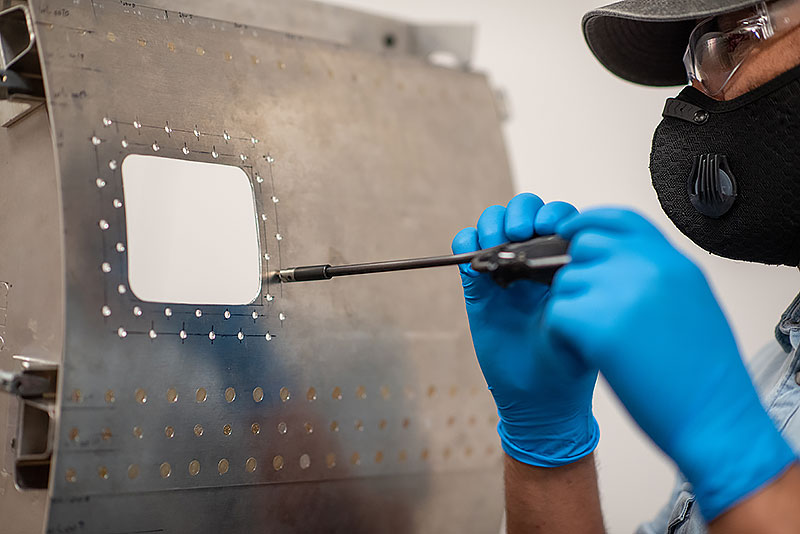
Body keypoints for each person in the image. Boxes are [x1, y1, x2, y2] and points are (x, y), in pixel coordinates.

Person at [452, 1, 800, 532]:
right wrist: (546, 448)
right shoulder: (775, 375)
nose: (694, 98)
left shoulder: (739, 413)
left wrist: (740, 463)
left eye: (732, 42)